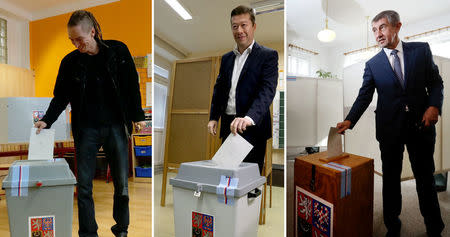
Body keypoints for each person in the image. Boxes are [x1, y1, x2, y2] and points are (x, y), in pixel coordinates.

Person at [34, 10, 146, 237]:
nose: (76, 44)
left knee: (122, 186)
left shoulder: (118, 51)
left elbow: (131, 86)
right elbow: (60, 97)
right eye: (71, 40)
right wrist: (47, 120)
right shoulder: (70, 62)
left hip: (116, 126)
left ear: (92, 32)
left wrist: (138, 117)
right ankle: (88, 233)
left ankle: (121, 228)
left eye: (79, 39)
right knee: (84, 186)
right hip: (86, 129)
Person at [336, 10, 444, 237]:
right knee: (391, 181)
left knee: (425, 179)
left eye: (382, 27)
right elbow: (364, 96)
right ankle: (392, 225)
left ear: (397, 26)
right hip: (389, 130)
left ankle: (434, 227)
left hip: (421, 127)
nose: (378, 34)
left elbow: (436, 82)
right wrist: (350, 119)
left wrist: (433, 106)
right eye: (374, 30)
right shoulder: (373, 64)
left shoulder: (421, 50)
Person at [207, 5, 278, 173]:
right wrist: (213, 117)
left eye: (244, 25)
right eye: (234, 26)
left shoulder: (267, 55)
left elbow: (267, 91)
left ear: (253, 26)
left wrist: (249, 117)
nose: (239, 30)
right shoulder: (226, 59)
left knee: (250, 182)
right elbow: (220, 91)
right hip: (228, 127)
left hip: (252, 128)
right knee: (226, 177)